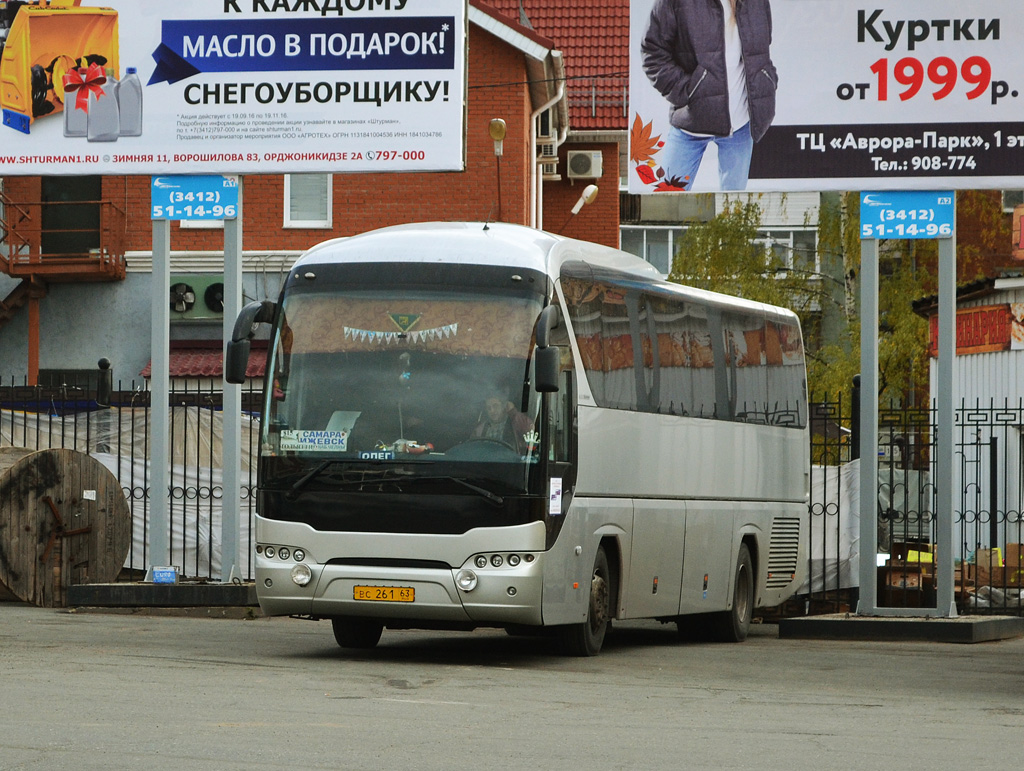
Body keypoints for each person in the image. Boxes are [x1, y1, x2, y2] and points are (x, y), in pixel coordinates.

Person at [641, 0, 777, 191]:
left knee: (733, 212)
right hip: (691, 124)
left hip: (740, 125)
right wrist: (689, 91)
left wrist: (767, 80)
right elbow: (653, 52)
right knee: (668, 203)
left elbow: (762, 49)